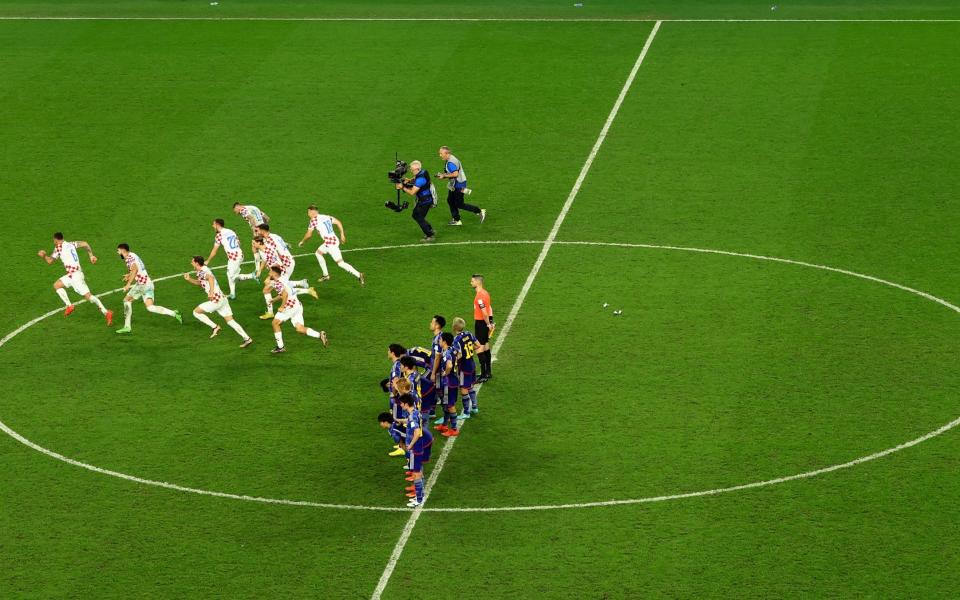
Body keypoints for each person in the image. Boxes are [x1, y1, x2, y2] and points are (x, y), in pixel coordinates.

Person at [37, 232, 113, 325]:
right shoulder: (71, 244)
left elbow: (50, 261)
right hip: (73, 274)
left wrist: (44, 255)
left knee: (88, 297)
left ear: (56, 240)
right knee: (57, 285)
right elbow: (85, 243)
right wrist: (91, 255)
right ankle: (69, 305)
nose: (53, 242)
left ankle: (106, 312)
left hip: (75, 276)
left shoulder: (58, 247)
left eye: (54, 240)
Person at [182, 256, 253, 348]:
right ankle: (247, 338)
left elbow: (210, 278)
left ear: (196, 263)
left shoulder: (202, 272)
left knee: (196, 312)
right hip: (222, 298)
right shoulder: (203, 270)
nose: (191, 263)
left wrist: (211, 293)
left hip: (215, 300)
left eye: (192, 262)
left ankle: (215, 327)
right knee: (230, 321)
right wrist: (189, 279)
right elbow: (201, 283)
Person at [115, 244, 181, 334]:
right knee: (150, 307)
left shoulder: (129, 259)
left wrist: (128, 284)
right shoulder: (133, 255)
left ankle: (127, 327)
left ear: (123, 251)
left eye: (118, 251)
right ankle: (174, 313)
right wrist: (129, 275)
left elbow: (134, 270)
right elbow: (136, 269)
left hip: (142, 285)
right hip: (148, 283)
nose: (118, 253)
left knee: (126, 300)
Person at [265, 265, 329, 353]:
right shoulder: (283, 278)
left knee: (275, 323)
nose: (268, 273)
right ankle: (319, 335)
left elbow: (285, 295)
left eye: (270, 271)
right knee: (300, 328)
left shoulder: (278, 283)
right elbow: (284, 293)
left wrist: (282, 306)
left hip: (289, 307)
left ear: (274, 273)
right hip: (297, 306)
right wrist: (274, 300)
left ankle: (280, 347)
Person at [252, 231, 314, 320]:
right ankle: (307, 290)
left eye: (254, 243)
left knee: (279, 291)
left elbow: (276, 265)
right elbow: (265, 261)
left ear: (259, 243)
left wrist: (270, 277)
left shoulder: (268, 251)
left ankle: (270, 313)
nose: (253, 245)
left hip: (279, 272)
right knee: (276, 289)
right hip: (278, 271)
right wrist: (259, 271)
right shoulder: (265, 249)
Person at [297, 205, 364, 286]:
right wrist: (342, 234)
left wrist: (302, 241)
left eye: (308, 212)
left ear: (312, 211)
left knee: (340, 263)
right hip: (333, 240)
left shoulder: (313, 220)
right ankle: (326, 275)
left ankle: (358, 274)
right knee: (318, 253)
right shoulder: (326, 216)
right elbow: (338, 222)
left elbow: (309, 235)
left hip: (330, 243)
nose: (308, 214)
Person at [397, 393, 432, 508]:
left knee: (416, 474)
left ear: (406, 404)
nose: (401, 405)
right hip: (418, 447)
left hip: (415, 448)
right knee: (417, 472)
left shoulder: (412, 416)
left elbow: (416, 432)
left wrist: (410, 445)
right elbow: (411, 421)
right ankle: (419, 495)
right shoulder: (415, 411)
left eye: (402, 403)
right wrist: (401, 420)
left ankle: (419, 499)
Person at [437, 146, 485, 226]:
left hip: (458, 185)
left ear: (447, 153)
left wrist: (444, 176)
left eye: (441, 153)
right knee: (450, 200)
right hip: (456, 184)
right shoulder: (452, 158)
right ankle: (456, 220)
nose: (440, 155)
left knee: (459, 204)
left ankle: (479, 211)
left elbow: (455, 174)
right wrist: (444, 175)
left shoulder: (450, 163)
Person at [208, 219, 256, 299]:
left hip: (234, 257)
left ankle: (251, 275)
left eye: (213, 224)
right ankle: (232, 294)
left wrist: (208, 260)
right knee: (230, 275)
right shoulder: (231, 231)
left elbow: (214, 251)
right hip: (239, 254)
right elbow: (239, 242)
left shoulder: (219, 235)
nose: (212, 226)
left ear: (217, 225)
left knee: (232, 276)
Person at [395, 160, 437, 242]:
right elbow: (415, 177)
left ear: (417, 169)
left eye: (412, 169)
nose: (411, 170)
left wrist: (402, 187)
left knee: (419, 217)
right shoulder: (424, 172)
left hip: (425, 201)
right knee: (415, 215)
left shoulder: (420, 180)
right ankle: (430, 230)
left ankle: (430, 235)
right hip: (425, 199)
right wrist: (409, 180)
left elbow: (412, 192)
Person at [433, 332, 460, 437]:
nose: (439, 341)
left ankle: (454, 429)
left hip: (449, 382)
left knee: (450, 405)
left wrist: (446, 372)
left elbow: (449, 365)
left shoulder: (447, 353)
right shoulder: (452, 349)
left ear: (444, 341)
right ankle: (444, 425)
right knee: (446, 404)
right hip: (451, 381)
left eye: (440, 340)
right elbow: (459, 354)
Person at [452, 317, 479, 417]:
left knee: (463, 388)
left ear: (454, 327)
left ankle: (466, 412)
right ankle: (475, 407)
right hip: (472, 364)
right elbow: (478, 345)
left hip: (464, 367)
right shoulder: (468, 333)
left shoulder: (456, 340)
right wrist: (469, 350)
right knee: (470, 386)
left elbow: (458, 355)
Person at [233, 203, 270, 273]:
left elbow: (251, 218)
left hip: (258, 228)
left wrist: (254, 229)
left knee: (255, 247)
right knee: (263, 245)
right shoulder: (253, 207)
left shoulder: (242, 209)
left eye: (235, 210)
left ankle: (260, 267)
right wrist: (264, 226)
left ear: (237, 207)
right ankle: (265, 263)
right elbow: (267, 218)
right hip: (263, 228)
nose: (236, 213)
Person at [471, 274, 495, 382]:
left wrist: (487, 324)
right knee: (485, 346)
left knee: (479, 347)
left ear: (478, 282)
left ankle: (483, 374)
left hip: (481, 323)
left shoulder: (480, 296)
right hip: (486, 322)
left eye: (472, 281)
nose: (471, 283)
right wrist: (491, 321)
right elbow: (489, 308)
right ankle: (488, 372)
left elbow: (484, 312)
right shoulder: (486, 293)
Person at [400, 355, 437, 419]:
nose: (400, 367)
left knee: (421, 426)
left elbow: (409, 395)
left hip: (419, 407)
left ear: (406, 367)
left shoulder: (410, 380)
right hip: (421, 402)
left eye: (401, 365)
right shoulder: (414, 374)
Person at [428, 315, 446, 383]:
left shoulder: (438, 339)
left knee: (438, 388)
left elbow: (437, 357)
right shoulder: (440, 335)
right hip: (439, 367)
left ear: (437, 326)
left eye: (432, 322)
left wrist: (433, 373)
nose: (430, 324)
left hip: (439, 369)